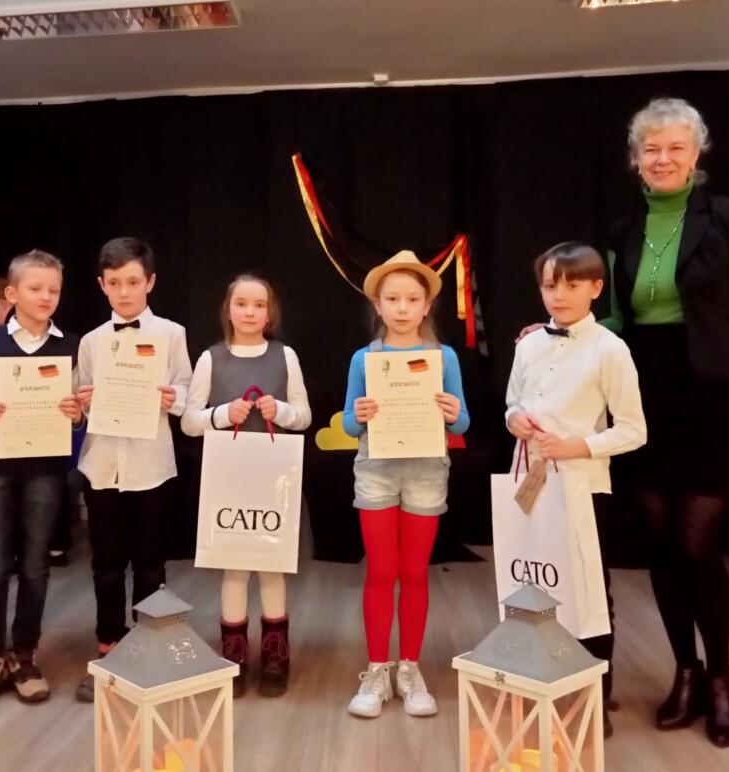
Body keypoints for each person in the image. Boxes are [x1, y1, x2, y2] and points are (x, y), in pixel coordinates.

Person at [605, 98, 729, 748]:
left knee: (698, 544)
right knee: (661, 546)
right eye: (651, 148)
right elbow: (615, 319)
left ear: (696, 154)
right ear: (636, 159)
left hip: (716, 393)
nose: (663, 158)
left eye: (675, 147)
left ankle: (722, 677)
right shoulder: (622, 229)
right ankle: (686, 671)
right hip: (646, 396)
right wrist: (556, 332)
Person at [505, 241, 647, 737]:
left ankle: (592, 698)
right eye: (550, 285)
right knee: (531, 585)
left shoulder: (609, 349)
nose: (559, 295)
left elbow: (634, 430)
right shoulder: (528, 344)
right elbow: (512, 403)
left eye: (572, 284)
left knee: (587, 593)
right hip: (528, 482)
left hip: (583, 488)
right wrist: (515, 419)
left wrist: (576, 446)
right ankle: (538, 683)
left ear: (596, 288)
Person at [0, 250, 84, 713]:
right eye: (36, 288)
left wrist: (76, 414)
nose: (46, 297)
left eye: (54, 290)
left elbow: (80, 409)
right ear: (12, 294)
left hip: (45, 468)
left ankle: (24, 656)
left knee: (35, 564)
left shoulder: (72, 347)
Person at [341, 251, 470, 718]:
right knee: (381, 571)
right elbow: (349, 425)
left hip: (426, 471)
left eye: (412, 299)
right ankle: (377, 670)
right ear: (377, 305)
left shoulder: (443, 357)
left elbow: (462, 422)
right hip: (376, 469)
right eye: (392, 298)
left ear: (426, 306)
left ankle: (409, 669)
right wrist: (358, 415)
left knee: (414, 572)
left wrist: (453, 413)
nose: (402, 307)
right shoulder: (364, 359)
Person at [73, 237, 193, 702]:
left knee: (150, 563)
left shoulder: (172, 334)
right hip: (102, 465)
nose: (124, 292)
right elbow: (80, 402)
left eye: (133, 282)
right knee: (105, 564)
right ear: (101, 285)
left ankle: (151, 651)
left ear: (151, 282)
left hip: (151, 466)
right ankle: (109, 649)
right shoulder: (91, 342)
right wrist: (82, 403)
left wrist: (173, 399)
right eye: (115, 283)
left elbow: (187, 390)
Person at [180, 274, 312, 697]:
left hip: (273, 481)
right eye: (242, 303)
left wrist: (282, 411)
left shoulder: (285, 355)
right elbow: (189, 420)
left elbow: (305, 416)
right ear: (228, 309)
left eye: (259, 305)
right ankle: (234, 657)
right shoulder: (210, 358)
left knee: (272, 567)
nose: (250, 312)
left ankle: (276, 657)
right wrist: (222, 414)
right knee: (234, 567)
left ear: (270, 313)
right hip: (229, 479)